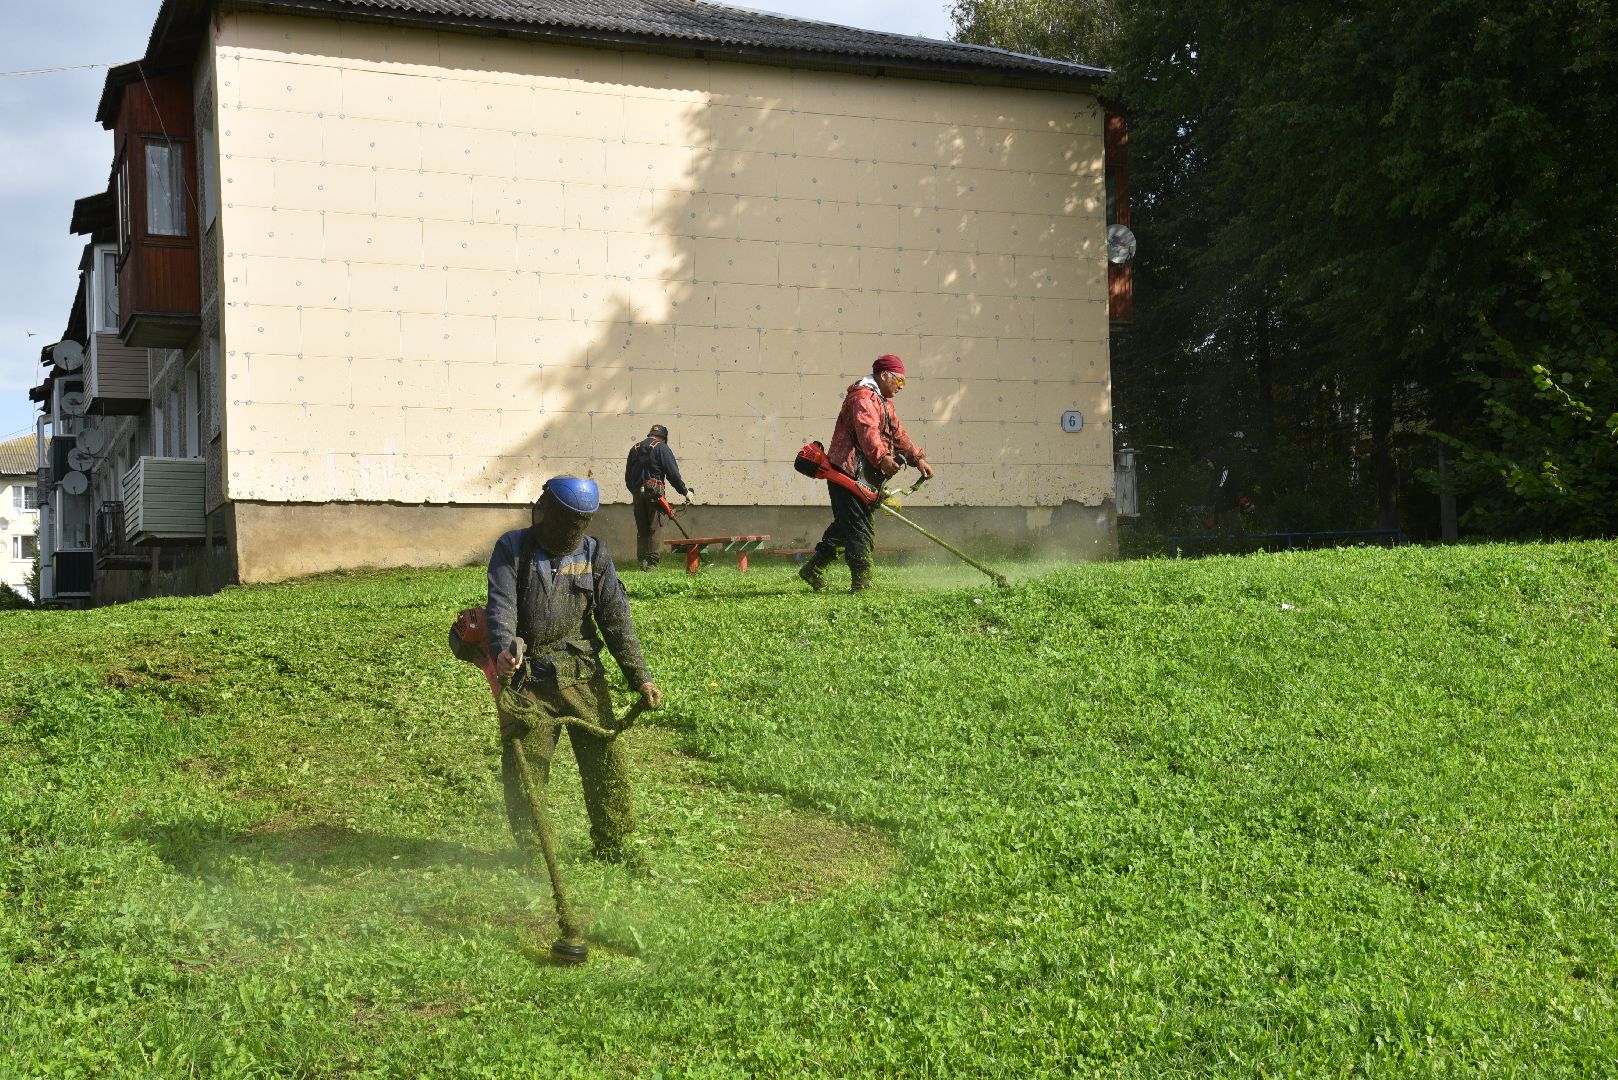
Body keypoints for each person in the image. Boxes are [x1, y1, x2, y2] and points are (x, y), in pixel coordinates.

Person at [485, 475, 662, 866]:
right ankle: (532, 851)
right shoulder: (512, 549)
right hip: (529, 678)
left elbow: (616, 620)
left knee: (604, 761)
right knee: (527, 768)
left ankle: (612, 843)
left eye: (577, 523)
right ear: (545, 510)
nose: (568, 529)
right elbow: (501, 609)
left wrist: (641, 677)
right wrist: (504, 651)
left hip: (582, 674)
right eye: (563, 519)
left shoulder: (594, 555)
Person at [799, 354, 935, 592]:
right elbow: (867, 433)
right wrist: (883, 458)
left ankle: (813, 568)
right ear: (884, 375)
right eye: (899, 381)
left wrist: (917, 459)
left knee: (846, 526)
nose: (901, 386)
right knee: (859, 527)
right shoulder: (862, 399)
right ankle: (861, 583)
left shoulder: (882, 401)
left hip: (862, 474)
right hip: (846, 473)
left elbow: (898, 434)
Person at [624, 423, 691, 571]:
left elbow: (628, 478)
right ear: (664, 438)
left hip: (637, 495)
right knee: (655, 528)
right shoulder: (662, 448)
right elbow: (673, 475)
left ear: (650, 434)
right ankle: (651, 564)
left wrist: (636, 493)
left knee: (642, 529)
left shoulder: (634, 448)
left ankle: (642, 562)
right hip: (655, 496)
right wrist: (685, 492)